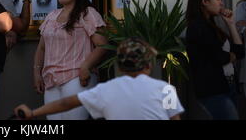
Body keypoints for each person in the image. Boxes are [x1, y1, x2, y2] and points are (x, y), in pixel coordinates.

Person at [16, 37, 184, 120]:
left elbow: (66, 103)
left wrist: (32, 113)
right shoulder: (166, 89)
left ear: (119, 66)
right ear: (149, 65)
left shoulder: (105, 90)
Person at [33, 0, 107, 120]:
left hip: (77, 78)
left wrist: (86, 66)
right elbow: (42, 48)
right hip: (50, 79)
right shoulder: (51, 15)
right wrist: (36, 73)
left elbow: (103, 45)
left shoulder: (87, 13)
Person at [186, 0, 245, 120]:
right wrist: (230, 56)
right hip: (214, 90)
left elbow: (240, 52)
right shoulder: (197, 27)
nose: (222, 3)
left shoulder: (212, 26)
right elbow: (219, 58)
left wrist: (230, 24)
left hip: (229, 85)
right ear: (205, 1)